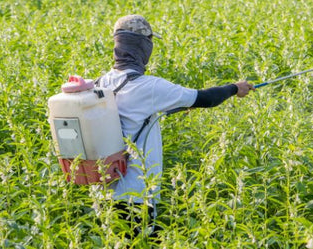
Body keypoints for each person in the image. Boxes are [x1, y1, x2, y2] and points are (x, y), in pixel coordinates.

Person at [96, 14, 253, 231]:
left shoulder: (101, 82)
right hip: (136, 195)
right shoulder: (148, 86)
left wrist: (179, 106)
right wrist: (235, 88)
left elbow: (133, 112)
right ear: (143, 46)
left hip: (102, 194)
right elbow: (206, 98)